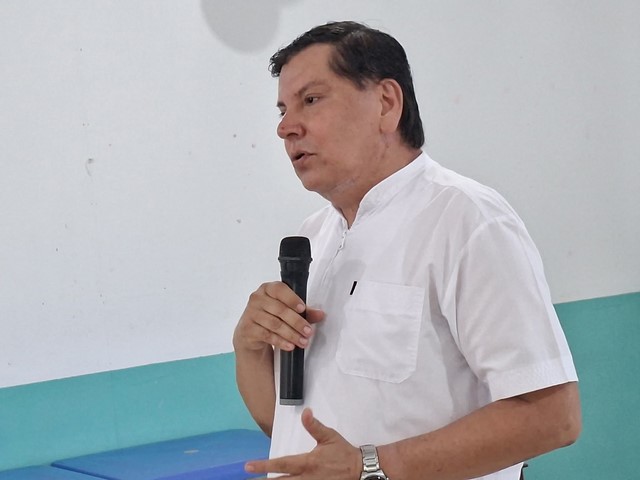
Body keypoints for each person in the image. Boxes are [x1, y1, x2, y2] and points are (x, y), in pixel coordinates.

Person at [233, 21, 581, 480]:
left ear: (386, 103)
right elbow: (289, 430)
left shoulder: (468, 220)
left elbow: (552, 417)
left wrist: (370, 467)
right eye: (282, 110)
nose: (285, 128)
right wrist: (248, 348)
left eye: (311, 100)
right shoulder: (314, 235)